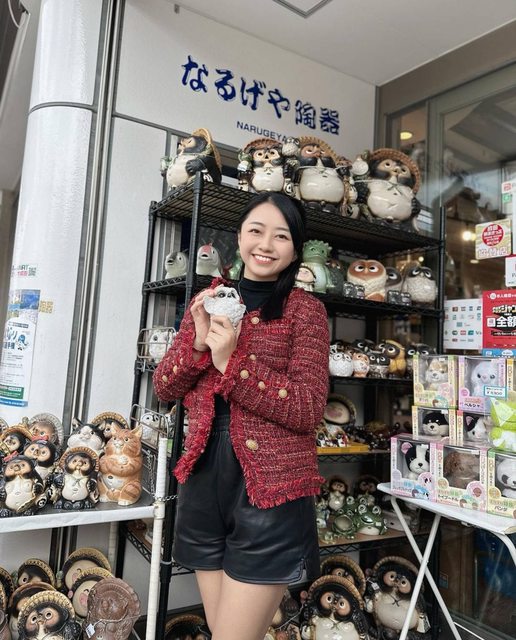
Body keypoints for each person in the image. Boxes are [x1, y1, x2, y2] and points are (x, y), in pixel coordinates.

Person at [153, 191, 330, 640]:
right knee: (223, 631)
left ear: (296, 248)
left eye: (281, 236)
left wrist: (233, 363)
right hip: (203, 482)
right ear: (239, 236)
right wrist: (197, 344)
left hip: (269, 492)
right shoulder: (208, 300)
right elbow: (164, 387)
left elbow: (308, 407)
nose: (266, 245)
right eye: (256, 231)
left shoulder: (305, 311)